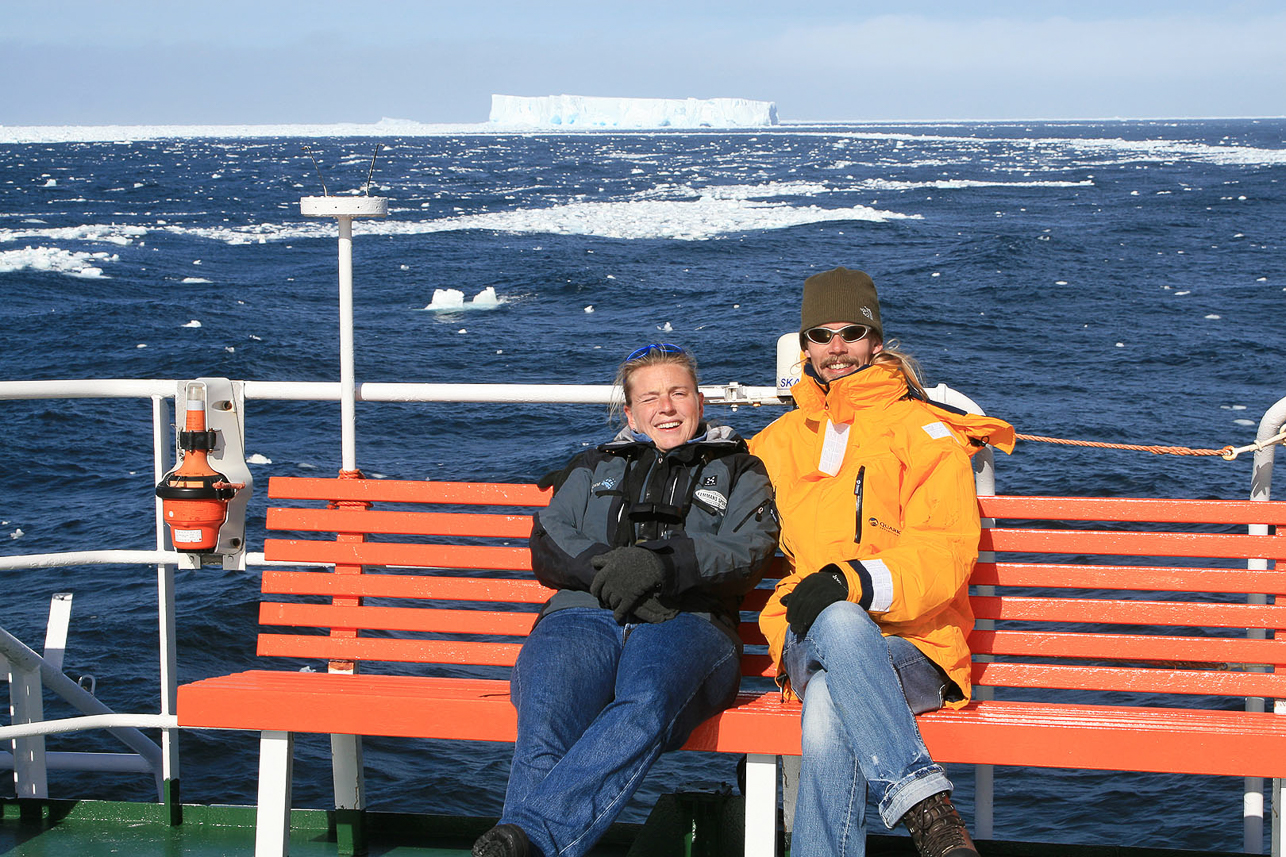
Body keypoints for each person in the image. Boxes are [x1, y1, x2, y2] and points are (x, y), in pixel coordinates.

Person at [472, 343, 779, 857]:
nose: (666, 407)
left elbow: (748, 549)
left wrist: (660, 566)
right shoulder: (592, 465)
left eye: (678, 393)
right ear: (631, 413)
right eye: (651, 397)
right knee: (548, 714)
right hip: (582, 617)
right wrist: (616, 572)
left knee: (647, 699)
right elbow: (550, 538)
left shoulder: (742, 470)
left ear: (700, 402)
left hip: (690, 622)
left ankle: (530, 840)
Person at [749, 268, 1015, 857]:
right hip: (806, 633)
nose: (835, 349)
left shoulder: (924, 433)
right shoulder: (778, 441)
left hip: (917, 646)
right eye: (820, 336)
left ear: (875, 340)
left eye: (849, 333)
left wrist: (854, 582)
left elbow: (945, 553)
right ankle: (925, 807)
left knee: (827, 692)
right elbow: (725, 523)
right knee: (837, 628)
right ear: (805, 348)